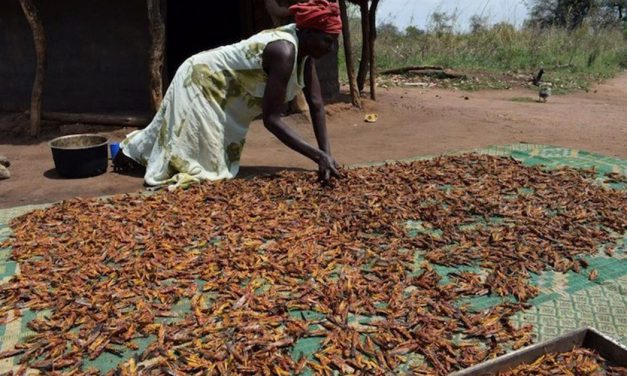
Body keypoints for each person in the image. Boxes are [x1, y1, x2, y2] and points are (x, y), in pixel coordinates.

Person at [114, 0, 342, 188]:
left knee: (174, 135)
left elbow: (316, 103)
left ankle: (128, 153)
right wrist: (317, 156)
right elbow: (272, 119)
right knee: (198, 166)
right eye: (327, 41)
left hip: (220, 90)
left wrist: (327, 156)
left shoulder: (305, 54)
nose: (330, 48)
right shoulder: (283, 51)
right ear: (310, 33)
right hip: (201, 80)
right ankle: (129, 154)